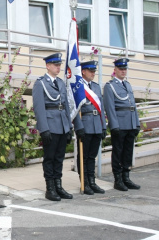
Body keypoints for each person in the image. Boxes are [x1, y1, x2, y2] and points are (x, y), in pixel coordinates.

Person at [33, 53, 81, 201]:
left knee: (59, 158)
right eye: (55, 65)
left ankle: (58, 186)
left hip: (61, 125)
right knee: (50, 158)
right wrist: (44, 129)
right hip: (50, 125)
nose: (58, 67)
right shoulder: (40, 83)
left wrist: (68, 127)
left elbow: (65, 106)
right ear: (48, 66)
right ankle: (50, 188)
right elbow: (39, 108)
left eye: (59, 65)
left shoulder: (61, 83)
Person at [103, 58, 141, 191]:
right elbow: (109, 107)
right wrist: (114, 126)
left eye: (125, 69)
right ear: (115, 70)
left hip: (130, 123)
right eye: (121, 69)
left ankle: (126, 177)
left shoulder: (128, 85)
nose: (123, 71)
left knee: (128, 152)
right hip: (120, 124)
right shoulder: (110, 86)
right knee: (118, 151)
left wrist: (136, 123)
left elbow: (133, 106)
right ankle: (118, 179)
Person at [73, 61, 106, 195]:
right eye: (90, 71)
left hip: (96, 125)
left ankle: (92, 182)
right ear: (83, 72)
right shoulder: (78, 87)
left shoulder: (96, 87)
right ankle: (85, 182)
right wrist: (79, 126)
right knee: (84, 156)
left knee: (92, 156)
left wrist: (103, 126)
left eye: (94, 71)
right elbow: (75, 109)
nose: (93, 73)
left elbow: (101, 108)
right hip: (85, 124)